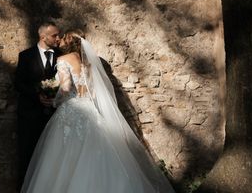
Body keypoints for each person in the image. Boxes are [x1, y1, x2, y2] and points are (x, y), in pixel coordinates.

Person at [21, 29, 175, 193]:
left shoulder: (63, 59)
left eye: (63, 38)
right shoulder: (87, 64)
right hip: (89, 108)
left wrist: (53, 101)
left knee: (64, 154)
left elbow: (65, 88)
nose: (60, 41)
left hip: (71, 109)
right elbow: (92, 92)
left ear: (69, 42)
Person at [14, 21, 61, 190]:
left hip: (55, 116)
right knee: (27, 155)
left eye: (59, 34)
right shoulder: (26, 56)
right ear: (43, 36)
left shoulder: (62, 55)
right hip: (30, 116)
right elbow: (19, 83)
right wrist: (38, 96)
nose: (58, 38)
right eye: (55, 35)